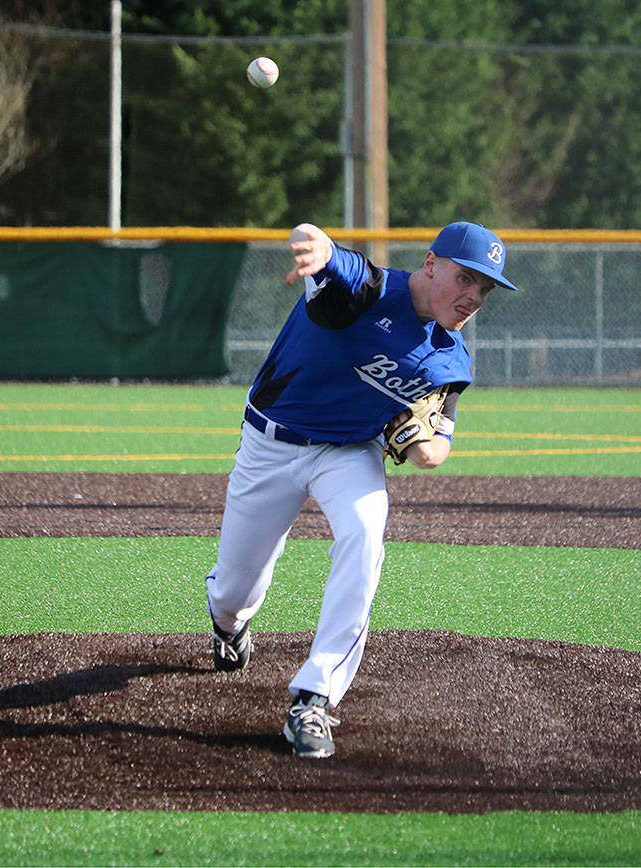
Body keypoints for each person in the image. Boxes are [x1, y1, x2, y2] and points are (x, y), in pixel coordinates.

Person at [205, 221, 518, 759]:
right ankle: (230, 625)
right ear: (431, 263)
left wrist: (422, 443)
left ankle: (315, 698)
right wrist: (312, 246)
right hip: (271, 443)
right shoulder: (369, 287)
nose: (473, 297)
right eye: (466, 278)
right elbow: (326, 249)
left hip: (349, 452)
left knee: (365, 536)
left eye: (485, 288)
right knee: (234, 592)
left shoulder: (451, 359)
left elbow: (436, 446)